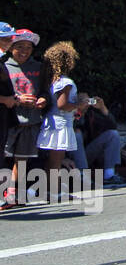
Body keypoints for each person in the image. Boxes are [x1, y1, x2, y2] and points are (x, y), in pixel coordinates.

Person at [3, 29, 51, 207]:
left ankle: (15, 192)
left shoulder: (38, 68)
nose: (24, 50)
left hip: (31, 120)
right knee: (4, 155)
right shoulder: (4, 67)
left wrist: (43, 100)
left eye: (28, 47)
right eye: (20, 46)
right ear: (11, 48)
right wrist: (18, 99)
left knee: (22, 158)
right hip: (9, 120)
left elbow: (46, 91)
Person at [36, 41, 79, 187]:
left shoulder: (52, 80)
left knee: (54, 159)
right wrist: (80, 104)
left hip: (52, 122)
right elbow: (62, 105)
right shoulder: (65, 82)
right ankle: (55, 189)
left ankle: (52, 188)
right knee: (57, 159)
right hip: (60, 124)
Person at [71, 93, 126, 188]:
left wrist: (102, 108)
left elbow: (112, 125)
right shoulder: (70, 114)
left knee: (112, 134)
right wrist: (78, 110)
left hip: (88, 154)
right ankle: (83, 176)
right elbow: (72, 125)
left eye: (88, 100)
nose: (86, 103)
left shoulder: (91, 114)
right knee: (76, 133)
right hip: (71, 156)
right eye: (83, 100)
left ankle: (109, 176)